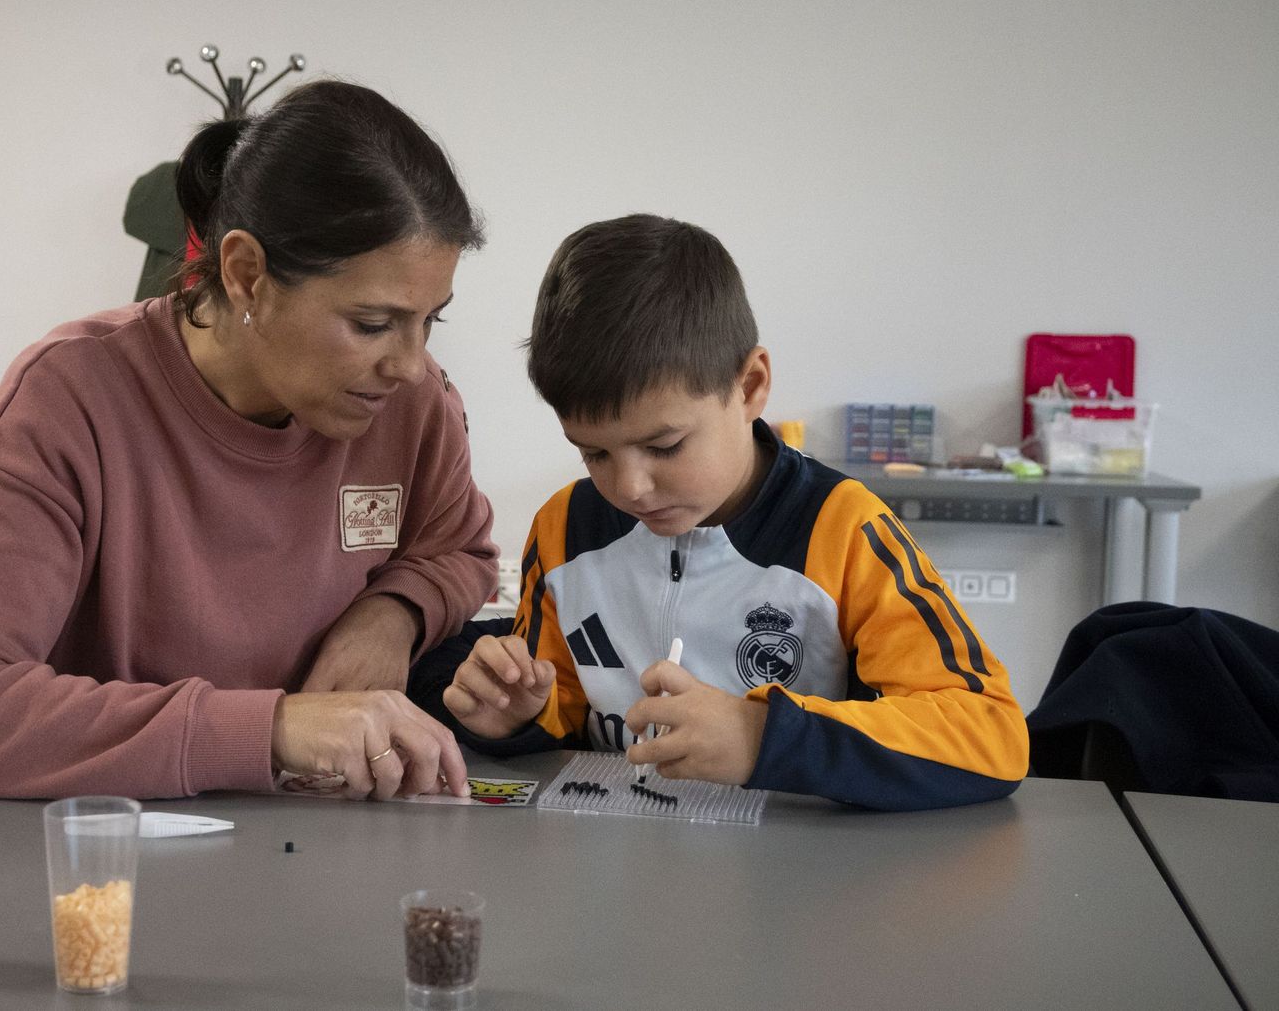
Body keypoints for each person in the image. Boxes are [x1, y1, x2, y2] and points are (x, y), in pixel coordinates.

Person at [0, 80, 497, 802]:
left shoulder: (412, 405)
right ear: (246, 274)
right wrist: (270, 729)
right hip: (111, 860)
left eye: (430, 321)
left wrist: (395, 613)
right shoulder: (68, 400)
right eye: (372, 324)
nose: (410, 364)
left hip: (320, 847)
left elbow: (457, 549)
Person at [414, 214, 1029, 810]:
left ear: (750, 386)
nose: (629, 487)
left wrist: (763, 737)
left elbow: (990, 735)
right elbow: (565, 696)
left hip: (797, 883)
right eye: (593, 452)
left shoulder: (843, 530)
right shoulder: (564, 527)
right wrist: (519, 716)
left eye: (665, 446)